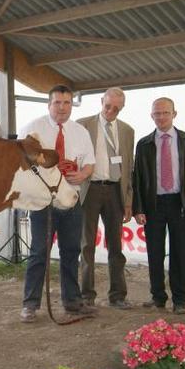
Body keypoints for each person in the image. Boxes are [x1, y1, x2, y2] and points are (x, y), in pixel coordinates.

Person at [19, 85, 96, 323]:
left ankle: (72, 301)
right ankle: (30, 305)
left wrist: (82, 175)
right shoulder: (33, 129)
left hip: (71, 199)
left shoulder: (80, 131)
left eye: (67, 103)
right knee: (39, 252)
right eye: (57, 103)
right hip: (43, 202)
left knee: (71, 252)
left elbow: (90, 164)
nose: (62, 108)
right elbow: (20, 163)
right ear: (49, 104)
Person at [132, 97, 185, 315]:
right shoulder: (143, 144)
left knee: (180, 253)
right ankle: (158, 297)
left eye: (165, 112)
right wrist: (138, 208)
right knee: (154, 253)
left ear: (174, 114)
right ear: (151, 116)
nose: (161, 117)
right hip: (153, 204)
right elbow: (138, 180)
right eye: (157, 113)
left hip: (180, 204)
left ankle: (180, 300)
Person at [77, 88, 134, 310]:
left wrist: (128, 200)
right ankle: (86, 295)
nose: (111, 111)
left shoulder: (128, 131)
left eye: (117, 108)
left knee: (116, 246)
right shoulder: (82, 125)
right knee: (86, 245)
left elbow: (129, 167)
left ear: (122, 107)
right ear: (101, 101)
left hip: (115, 192)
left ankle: (118, 295)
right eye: (108, 106)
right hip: (89, 189)